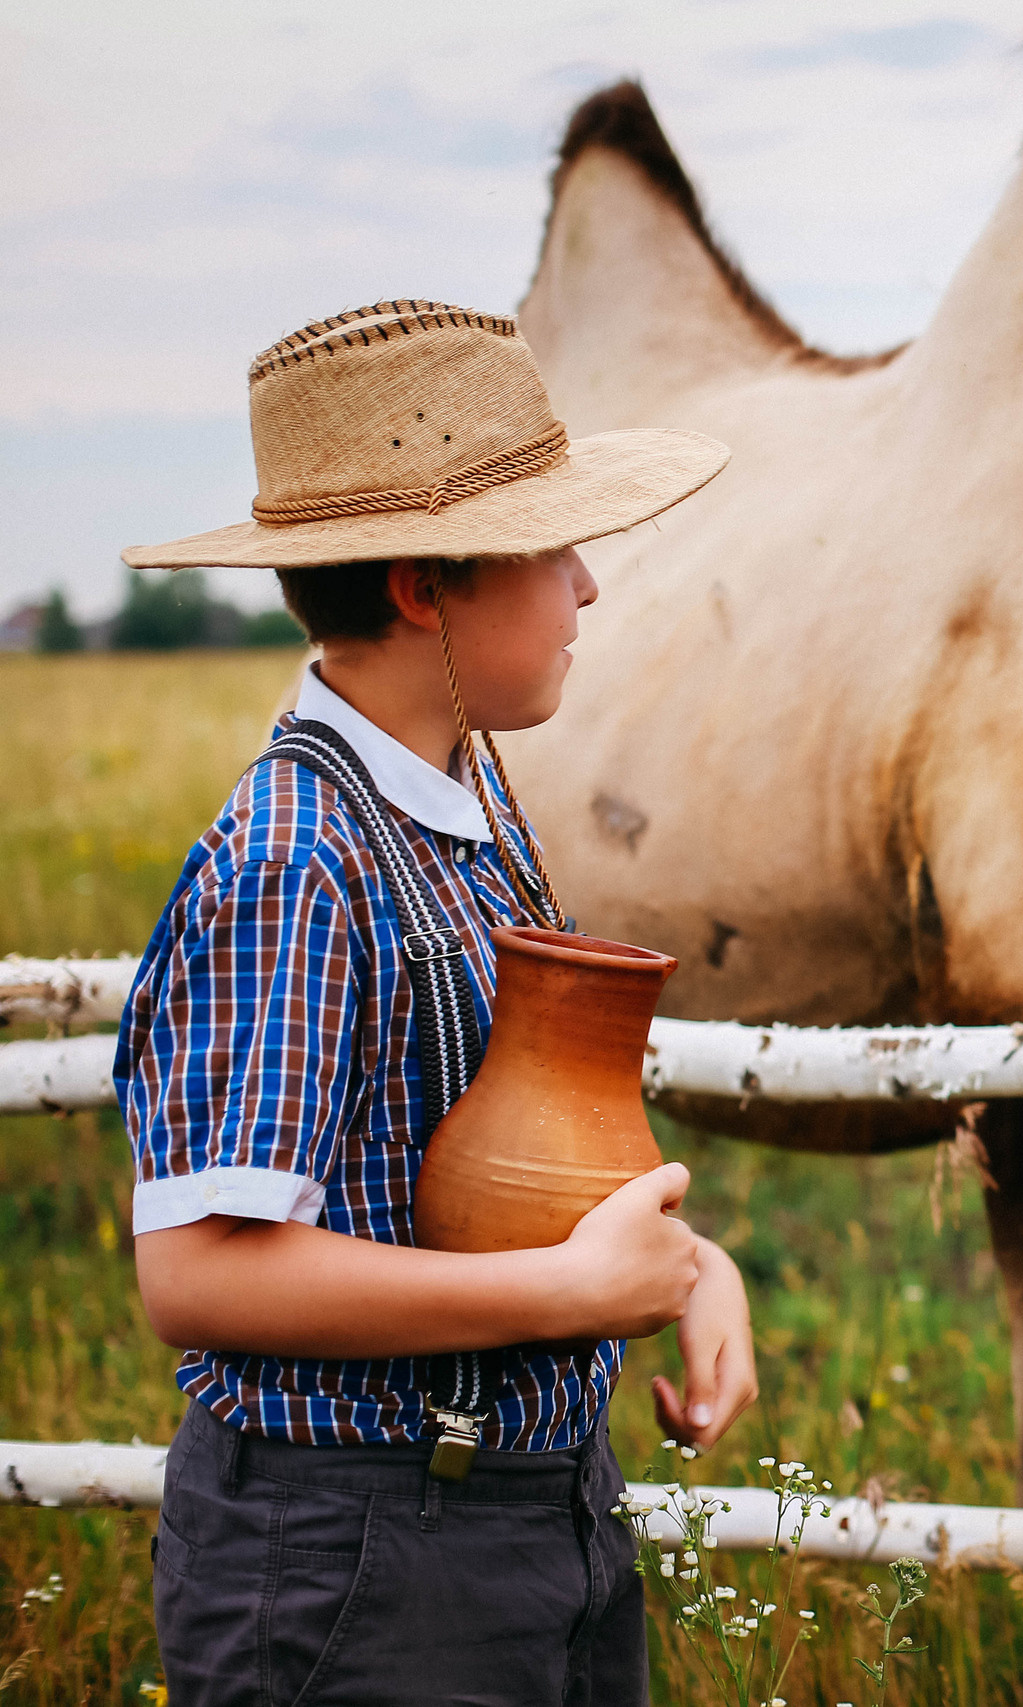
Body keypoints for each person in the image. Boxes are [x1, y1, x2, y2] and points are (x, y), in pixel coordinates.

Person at [115, 300, 743, 1703]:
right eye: (553, 548)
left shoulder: (468, 800)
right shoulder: (296, 859)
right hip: (359, 1559)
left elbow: (455, 1161)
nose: (589, 587)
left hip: (523, 1516)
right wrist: (565, 1292)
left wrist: (694, 1267)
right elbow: (198, 1274)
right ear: (423, 588)